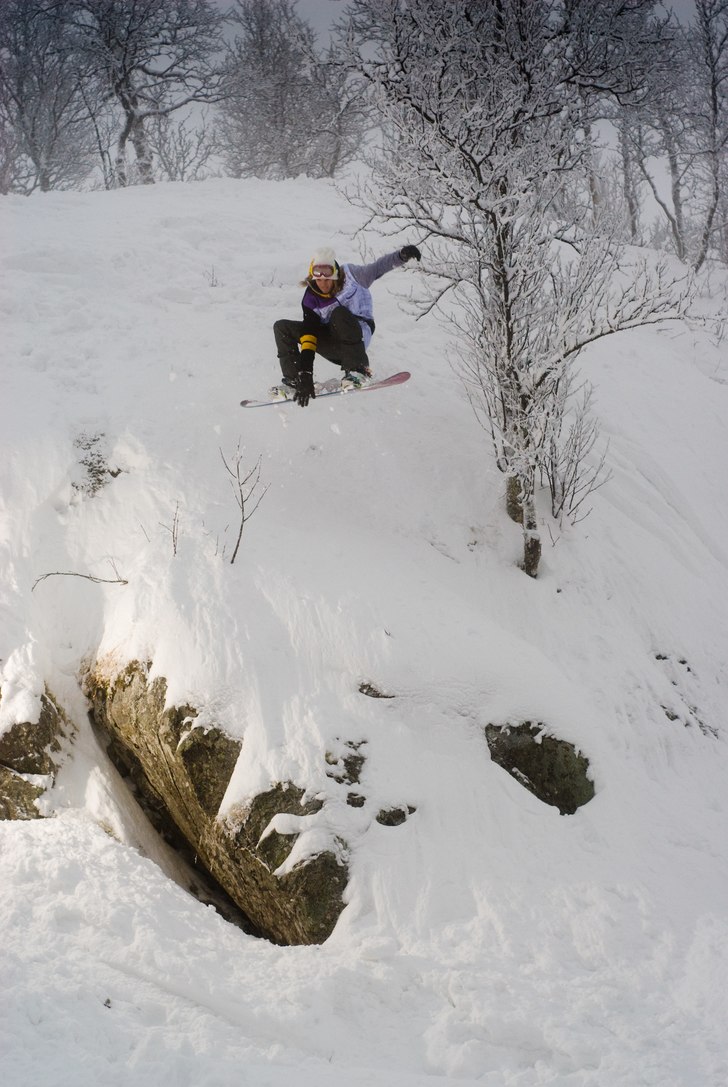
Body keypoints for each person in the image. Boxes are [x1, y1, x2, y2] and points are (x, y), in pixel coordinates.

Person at [271, 244, 422, 407]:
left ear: (335, 273)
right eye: (318, 278)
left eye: (327, 276)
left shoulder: (353, 275)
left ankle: (358, 370)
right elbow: (309, 335)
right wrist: (306, 374)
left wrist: (401, 256)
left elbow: (378, 267)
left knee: (339, 313)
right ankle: (294, 381)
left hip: (358, 334)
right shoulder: (310, 298)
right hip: (333, 343)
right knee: (282, 328)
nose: (323, 282)